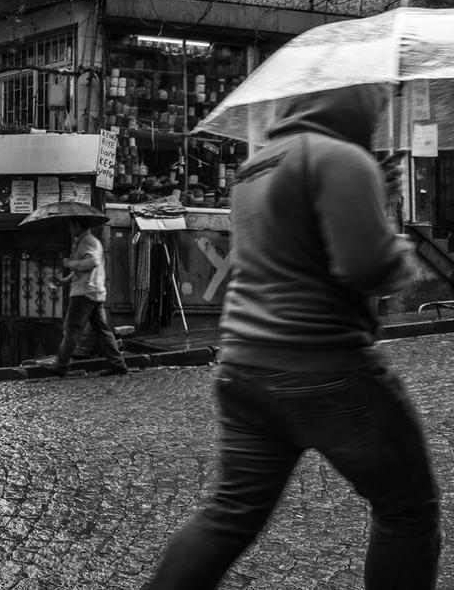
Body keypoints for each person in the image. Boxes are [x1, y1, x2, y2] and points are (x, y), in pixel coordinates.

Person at [145, 85, 440, 589]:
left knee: (229, 514)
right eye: (375, 105)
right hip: (326, 368)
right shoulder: (341, 159)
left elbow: (296, 240)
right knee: (408, 509)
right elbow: (365, 267)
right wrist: (400, 250)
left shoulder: (255, 168)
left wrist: (373, 192)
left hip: (244, 368)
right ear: (353, 107)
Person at [41, 217, 127, 377]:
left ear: (79, 225)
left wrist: (70, 263)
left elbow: (92, 262)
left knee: (72, 328)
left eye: (72, 225)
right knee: (103, 330)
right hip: (94, 292)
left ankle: (61, 364)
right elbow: (83, 270)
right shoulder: (85, 241)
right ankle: (118, 364)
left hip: (84, 293)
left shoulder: (87, 241)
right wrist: (64, 281)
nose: (70, 229)